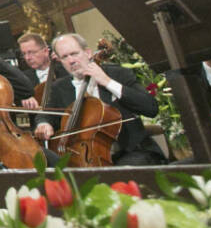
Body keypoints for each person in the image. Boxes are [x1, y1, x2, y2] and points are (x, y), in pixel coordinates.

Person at [33, 32, 163, 165]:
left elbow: (150, 108)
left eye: (74, 54)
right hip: (85, 157)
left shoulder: (118, 74)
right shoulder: (59, 88)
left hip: (131, 152)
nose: (71, 60)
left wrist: (107, 82)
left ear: (88, 53)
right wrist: (44, 123)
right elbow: (45, 115)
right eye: (65, 57)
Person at [17, 31, 67, 110]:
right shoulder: (23, 78)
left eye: (31, 52)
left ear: (46, 51)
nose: (27, 58)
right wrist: (25, 98)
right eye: (24, 54)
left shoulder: (65, 69)